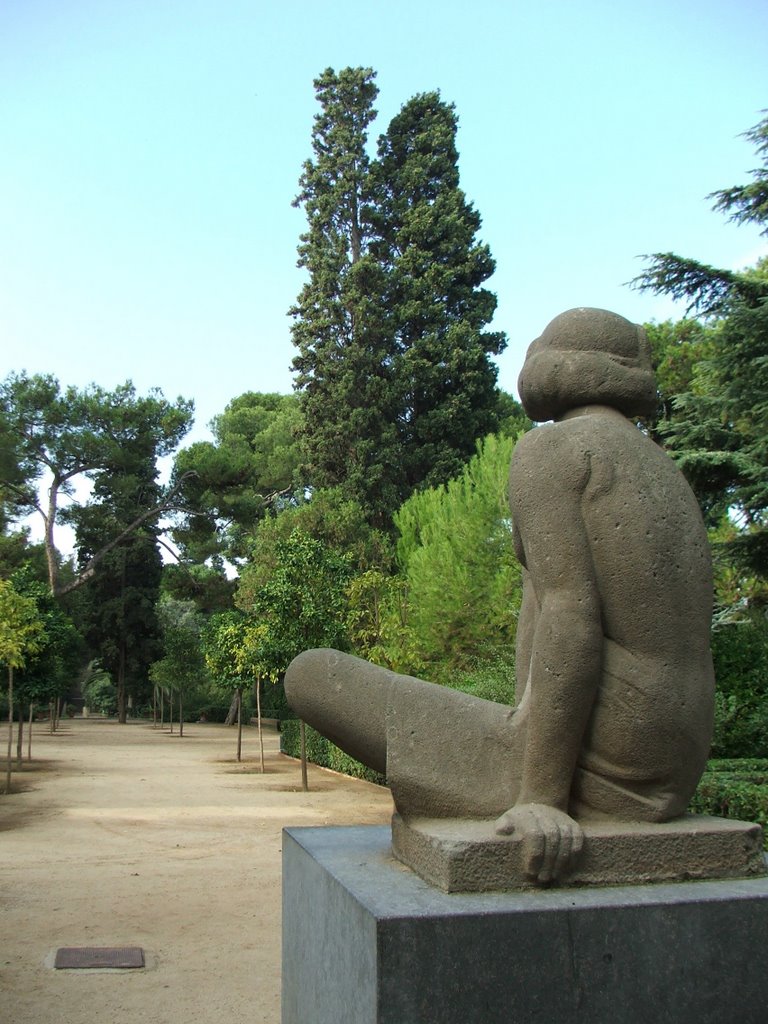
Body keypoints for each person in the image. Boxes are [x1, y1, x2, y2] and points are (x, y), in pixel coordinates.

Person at [285, 308, 715, 884]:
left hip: (604, 766)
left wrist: (541, 797)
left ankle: (532, 779)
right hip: (669, 767)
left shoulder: (553, 452)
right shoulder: (662, 469)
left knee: (312, 674)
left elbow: (571, 614)